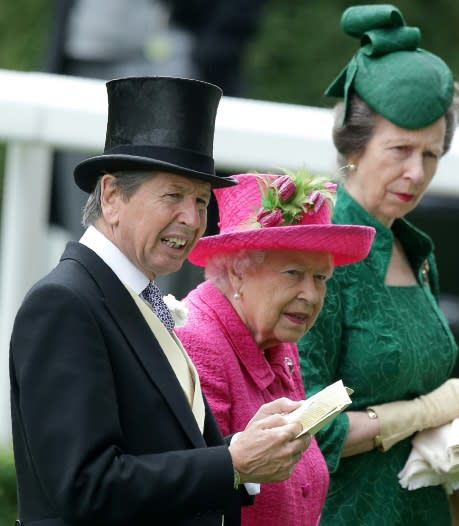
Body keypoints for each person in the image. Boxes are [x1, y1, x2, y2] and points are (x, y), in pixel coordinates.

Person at [9, 76, 310, 525]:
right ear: (111, 195)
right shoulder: (64, 303)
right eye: (172, 195)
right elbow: (83, 486)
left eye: (201, 200)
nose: (191, 219)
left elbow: (164, 451)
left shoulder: (140, 297)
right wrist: (232, 464)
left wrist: (244, 449)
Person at [298, 5, 459, 525]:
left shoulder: (415, 251)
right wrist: (419, 414)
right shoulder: (316, 256)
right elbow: (308, 431)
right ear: (352, 148)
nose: (416, 173)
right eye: (399, 150)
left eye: (431, 155)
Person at [176, 171, 375, 525]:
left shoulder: (279, 343)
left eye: (320, 278)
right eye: (293, 273)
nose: (311, 296)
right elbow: (197, 493)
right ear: (239, 271)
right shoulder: (198, 341)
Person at [44, 0, 263, 297]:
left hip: (171, 67)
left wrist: (208, 53)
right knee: (90, 235)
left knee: (166, 250)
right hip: (81, 65)